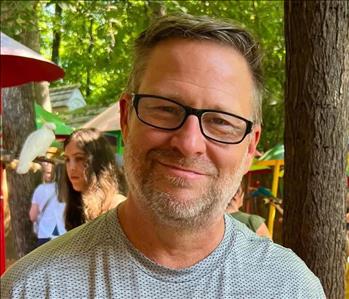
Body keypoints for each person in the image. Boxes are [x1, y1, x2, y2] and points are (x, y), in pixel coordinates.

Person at [1, 14, 325, 298]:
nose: (189, 142)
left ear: (250, 147)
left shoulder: (291, 288)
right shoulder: (33, 288)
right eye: (166, 109)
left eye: (221, 122)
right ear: (126, 119)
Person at [60, 128, 126, 230]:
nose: (71, 167)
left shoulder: (117, 207)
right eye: (67, 159)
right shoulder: (76, 206)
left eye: (79, 158)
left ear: (97, 162)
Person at [29, 163, 66, 247]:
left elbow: (32, 216)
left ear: (53, 174)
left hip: (45, 236)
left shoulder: (41, 189)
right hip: (66, 236)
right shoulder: (72, 191)